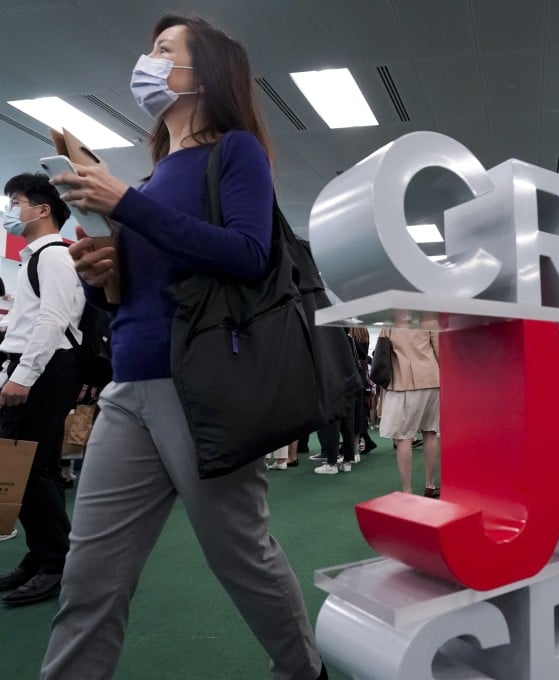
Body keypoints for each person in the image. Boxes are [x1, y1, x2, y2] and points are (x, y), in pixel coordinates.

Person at [39, 15, 326, 680]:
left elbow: (251, 256)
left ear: (204, 73)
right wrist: (105, 276)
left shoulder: (234, 152)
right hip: (129, 388)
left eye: (165, 50)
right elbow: (140, 294)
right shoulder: (151, 178)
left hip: (200, 387)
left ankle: (303, 671)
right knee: (89, 576)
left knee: (240, 557)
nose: (148, 59)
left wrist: (127, 208)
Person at [0, 174, 84, 606]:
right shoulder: (35, 258)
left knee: (25, 468)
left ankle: (56, 562)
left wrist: (23, 376)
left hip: (45, 370)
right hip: (39, 367)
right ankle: (44, 554)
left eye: (14, 202)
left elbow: (52, 323)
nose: (9, 211)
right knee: (40, 468)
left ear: (42, 209)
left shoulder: (52, 257)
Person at [378, 328, 440, 496]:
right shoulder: (428, 317)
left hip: (403, 381)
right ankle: (430, 484)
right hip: (431, 378)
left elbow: (382, 349)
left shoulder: (390, 319)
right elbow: (439, 349)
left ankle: (407, 490)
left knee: (403, 437)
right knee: (431, 432)